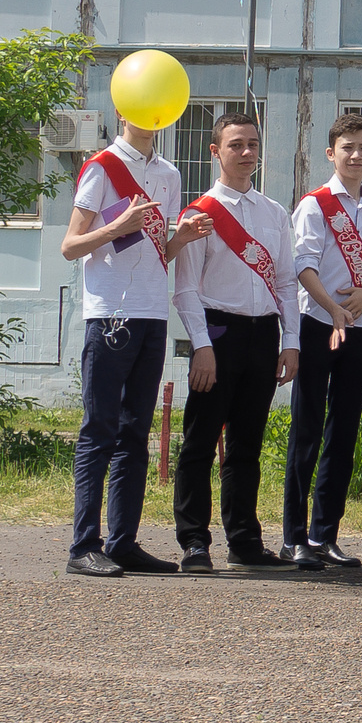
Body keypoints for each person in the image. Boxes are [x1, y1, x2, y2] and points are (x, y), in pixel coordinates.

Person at [62, 108, 207, 577]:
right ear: (123, 110)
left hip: (151, 312)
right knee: (99, 427)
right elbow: (71, 245)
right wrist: (115, 227)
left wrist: (179, 239)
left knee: (135, 433)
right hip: (109, 314)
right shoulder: (101, 166)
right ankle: (84, 545)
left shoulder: (168, 173)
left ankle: (123, 542)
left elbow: (154, 252)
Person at [169, 111, 301, 572]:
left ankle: (244, 542)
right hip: (218, 333)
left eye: (252, 144)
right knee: (200, 442)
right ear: (215, 151)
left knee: (247, 444)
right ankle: (194, 542)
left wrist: (292, 341)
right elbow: (186, 287)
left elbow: (286, 282)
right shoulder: (201, 213)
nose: (246, 153)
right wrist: (201, 346)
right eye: (235, 145)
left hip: (263, 334)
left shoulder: (274, 212)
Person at [284, 114, 362, 570]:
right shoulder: (315, 205)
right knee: (307, 430)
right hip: (317, 325)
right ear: (331, 153)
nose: (355, 155)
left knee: (343, 433)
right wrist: (333, 308)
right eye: (347, 147)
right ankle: (294, 538)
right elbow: (302, 265)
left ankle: (325, 533)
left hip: (358, 330)